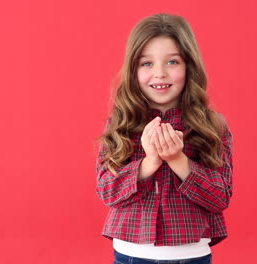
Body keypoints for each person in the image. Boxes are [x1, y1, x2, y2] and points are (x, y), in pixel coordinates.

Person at [95, 13, 234, 264]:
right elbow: (107, 190)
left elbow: (220, 197)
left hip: (192, 256)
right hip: (131, 255)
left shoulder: (213, 125)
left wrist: (177, 159)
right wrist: (149, 164)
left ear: (189, 66)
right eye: (146, 64)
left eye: (172, 62)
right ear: (133, 69)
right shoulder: (121, 123)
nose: (160, 73)